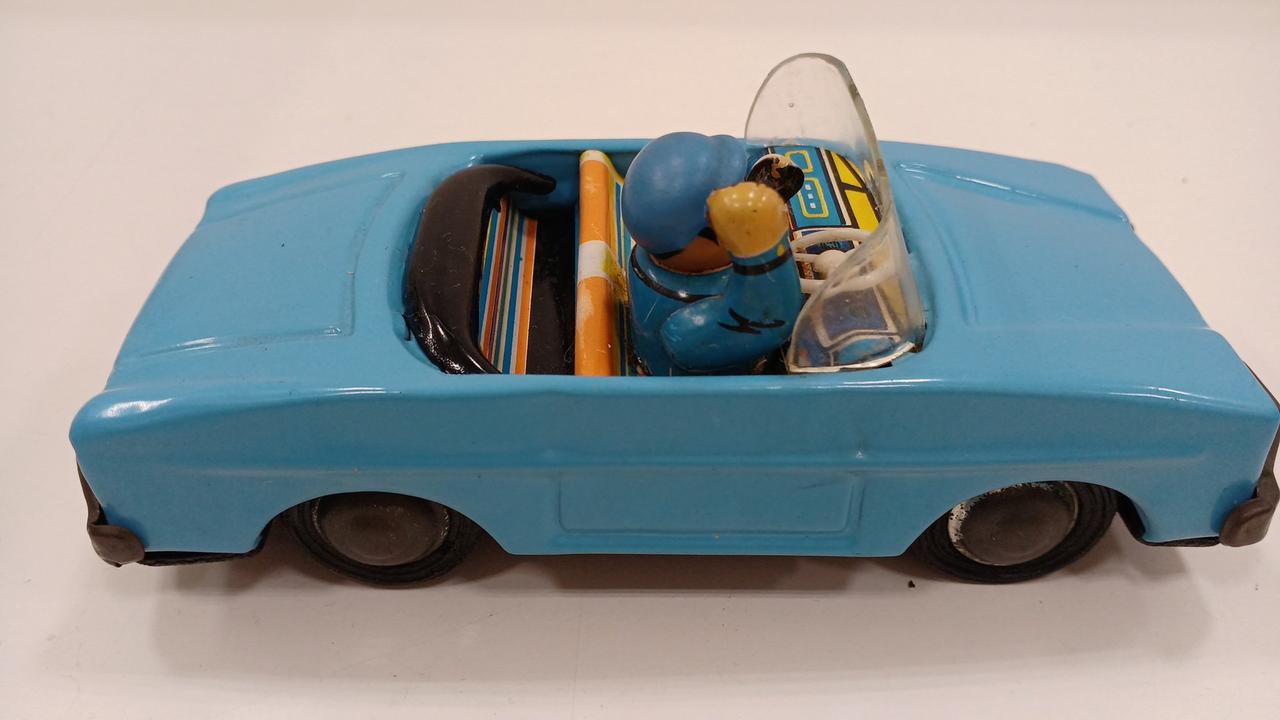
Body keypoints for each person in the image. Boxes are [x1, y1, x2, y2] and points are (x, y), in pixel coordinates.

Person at [621, 132, 803, 375]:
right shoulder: (683, 325)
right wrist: (764, 243)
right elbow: (773, 319)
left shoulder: (647, 251)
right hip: (705, 391)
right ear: (706, 234)